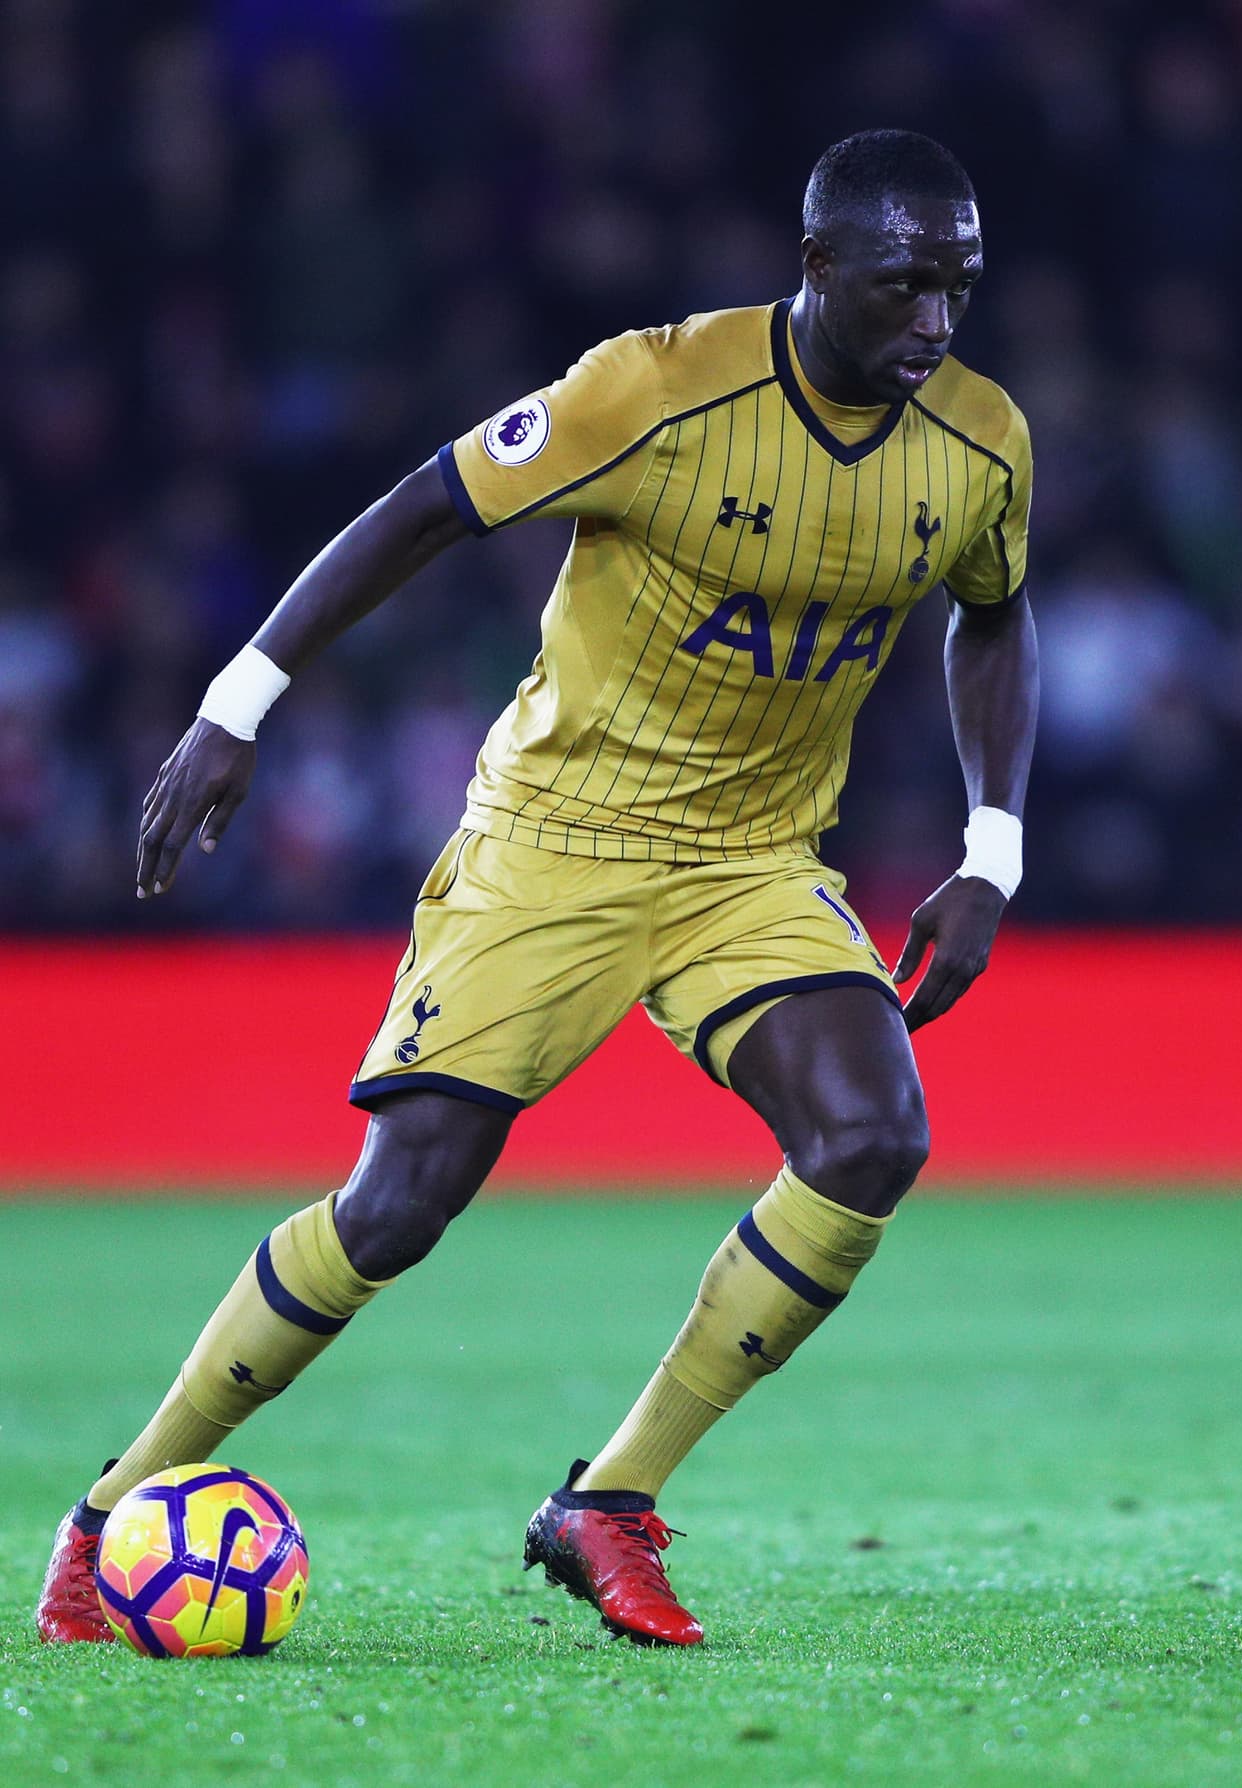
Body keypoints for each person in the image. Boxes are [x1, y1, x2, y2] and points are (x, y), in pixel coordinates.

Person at [38, 128, 1037, 1648]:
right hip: (557, 835)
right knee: (403, 1203)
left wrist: (990, 847)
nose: (936, 324)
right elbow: (423, 509)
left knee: (871, 1133)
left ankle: (610, 1502)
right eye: (905, 286)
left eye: (958, 287)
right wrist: (238, 704)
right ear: (819, 264)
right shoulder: (652, 387)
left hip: (752, 861)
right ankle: (113, 1512)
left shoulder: (979, 441)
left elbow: (995, 617)